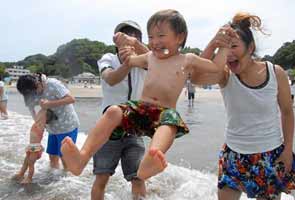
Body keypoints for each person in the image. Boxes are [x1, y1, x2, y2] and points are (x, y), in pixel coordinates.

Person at [61, 9, 228, 180]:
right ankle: (82, 157)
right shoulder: (150, 57)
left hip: (163, 112)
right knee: (113, 111)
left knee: (169, 125)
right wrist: (125, 50)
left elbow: (215, 67)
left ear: (179, 37)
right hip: (140, 109)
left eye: (161, 35)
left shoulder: (188, 59)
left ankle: (150, 160)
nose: (155, 42)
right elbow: (130, 60)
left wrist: (224, 47)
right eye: (151, 37)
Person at [192, 12, 295, 200]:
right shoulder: (224, 75)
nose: (229, 53)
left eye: (234, 46)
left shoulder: (275, 72)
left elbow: (287, 112)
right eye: (224, 48)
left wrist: (288, 150)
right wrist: (213, 44)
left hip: (270, 155)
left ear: (250, 47)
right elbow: (196, 78)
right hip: (233, 154)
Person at [91, 20, 148, 200]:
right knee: (102, 176)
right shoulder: (108, 58)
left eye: (135, 37)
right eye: (125, 36)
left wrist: (135, 46)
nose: (129, 42)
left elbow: (158, 59)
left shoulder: (144, 60)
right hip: (109, 129)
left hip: (134, 128)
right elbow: (111, 78)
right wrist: (127, 63)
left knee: (138, 177)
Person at [16, 73, 80, 170]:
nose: (34, 95)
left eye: (35, 91)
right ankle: (53, 179)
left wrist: (50, 104)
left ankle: (68, 179)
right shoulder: (28, 91)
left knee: (65, 157)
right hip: (52, 128)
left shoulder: (53, 84)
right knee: (52, 155)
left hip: (67, 125)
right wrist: (39, 127)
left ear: (38, 83)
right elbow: (31, 110)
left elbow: (71, 99)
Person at [12, 109, 57, 184]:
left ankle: (29, 178)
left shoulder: (41, 125)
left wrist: (45, 107)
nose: (39, 116)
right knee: (25, 162)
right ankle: (21, 174)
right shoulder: (37, 122)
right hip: (31, 147)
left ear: (45, 119)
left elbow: (42, 113)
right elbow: (35, 113)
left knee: (31, 164)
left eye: (41, 116)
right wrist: (31, 107)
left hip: (35, 148)